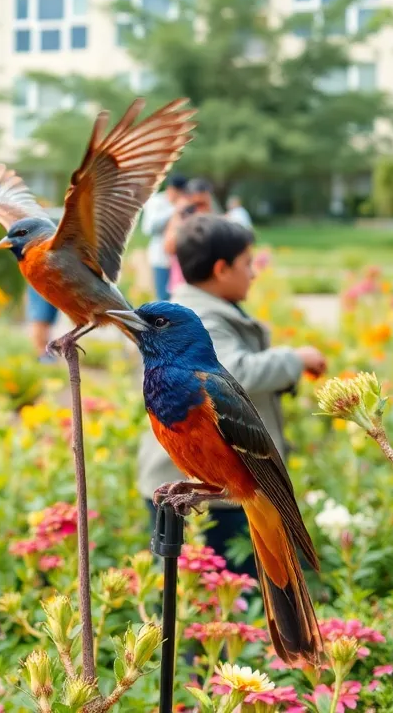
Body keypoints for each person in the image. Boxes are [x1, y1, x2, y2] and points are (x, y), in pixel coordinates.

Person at [136, 214, 327, 576]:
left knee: (227, 581)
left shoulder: (196, 318)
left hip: (231, 487)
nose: (253, 273)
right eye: (247, 264)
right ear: (221, 269)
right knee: (207, 578)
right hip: (217, 490)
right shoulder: (191, 321)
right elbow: (238, 371)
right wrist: (294, 359)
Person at [164, 178, 215, 297]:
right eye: (197, 205)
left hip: (207, 289)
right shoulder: (180, 218)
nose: (201, 210)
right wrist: (182, 219)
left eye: (204, 204)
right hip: (181, 287)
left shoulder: (214, 221)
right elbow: (168, 248)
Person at [141, 175, 188, 301]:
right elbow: (148, 228)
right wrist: (174, 210)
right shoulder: (157, 201)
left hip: (180, 258)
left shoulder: (185, 202)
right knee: (163, 297)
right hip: (160, 257)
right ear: (171, 189)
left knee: (179, 298)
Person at [26, 285, 60, 364]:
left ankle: (44, 353)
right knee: (40, 318)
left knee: (47, 320)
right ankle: (41, 354)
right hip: (40, 282)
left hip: (53, 283)